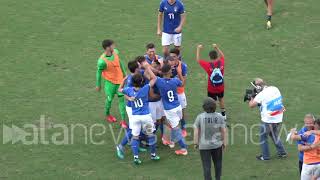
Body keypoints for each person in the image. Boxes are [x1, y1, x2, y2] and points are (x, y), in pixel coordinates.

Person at [118, 62, 160, 165]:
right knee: (151, 135)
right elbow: (154, 79)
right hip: (146, 117)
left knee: (135, 137)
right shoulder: (145, 88)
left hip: (135, 118)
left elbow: (119, 90)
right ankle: (153, 155)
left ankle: (136, 158)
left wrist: (123, 81)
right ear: (142, 81)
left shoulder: (129, 90)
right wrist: (148, 68)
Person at [248, 78, 287, 160]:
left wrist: (251, 97)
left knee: (263, 137)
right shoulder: (275, 88)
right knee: (273, 134)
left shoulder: (261, 94)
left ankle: (265, 156)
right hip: (278, 116)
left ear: (258, 87)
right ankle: (282, 152)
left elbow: (251, 105)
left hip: (268, 120)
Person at [155, 61, 188, 155]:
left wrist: (147, 66)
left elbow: (151, 75)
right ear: (169, 72)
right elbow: (182, 84)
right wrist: (180, 73)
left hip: (170, 110)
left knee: (176, 128)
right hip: (178, 106)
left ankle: (183, 148)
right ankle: (172, 141)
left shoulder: (159, 81)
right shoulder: (175, 80)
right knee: (171, 124)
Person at [194, 97, 227, 180]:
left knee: (206, 166)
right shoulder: (219, 116)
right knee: (218, 164)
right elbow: (223, 130)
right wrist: (224, 142)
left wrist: (196, 143)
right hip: (217, 146)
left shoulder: (200, 117)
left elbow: (196, 131)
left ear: (204, 107)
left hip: (204, 146)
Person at [96, 39, 127, 125]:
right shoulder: (102, 61)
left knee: (122, 100)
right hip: (110, 83)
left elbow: (120, 63)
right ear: (107, 48)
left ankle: (123, 120)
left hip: (120, 82)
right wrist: (98, 85)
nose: (114, 47)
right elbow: (98, 73)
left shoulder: (115, 52)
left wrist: (124, 74)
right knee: (109, 99)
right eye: (112, 45)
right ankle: (107, 114)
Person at [196, 44, 226, 120]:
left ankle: (213, 115)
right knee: (221, 98)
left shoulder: (208, 65)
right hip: (221, 86)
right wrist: (217, 48)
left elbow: (198, 60)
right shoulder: (221, 62)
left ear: (209, 57)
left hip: (211, 87)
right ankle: (223, 115)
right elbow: (223, 56)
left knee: (212, 101)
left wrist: (198, 49)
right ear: (217, 56)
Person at [168, 48, 188, 137]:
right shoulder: (167, 64)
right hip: (169, 93)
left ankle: (183, 128)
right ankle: (171, 131)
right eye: (171, 57)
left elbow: (183, 83)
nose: (172, 59)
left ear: (178, 56)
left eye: (174, 57)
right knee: (169, 113)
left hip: (179, 93)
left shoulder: (183, 66)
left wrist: (179, 73)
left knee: (182, 111)